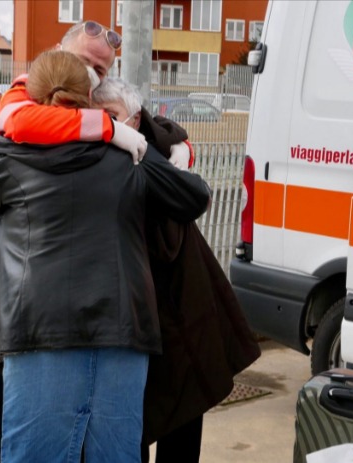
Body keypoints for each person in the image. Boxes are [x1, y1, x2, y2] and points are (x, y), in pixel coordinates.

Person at [0, 49, 211, 462]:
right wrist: (172, 150)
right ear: (88, 98)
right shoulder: (130, 156)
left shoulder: (10, 155)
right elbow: (194, 196)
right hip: (125, 334)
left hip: (38, 332)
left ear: (34, 98)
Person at [91, 78, 262, 463]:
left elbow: (192, 196)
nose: (105, 125)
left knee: (181, 411)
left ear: (134, 121)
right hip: (137, 320)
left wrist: (169, 153)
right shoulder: (119, 153)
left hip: (181, 311)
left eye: (112, 116)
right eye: (96, 116)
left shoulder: (151, 156)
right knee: (135, 420)